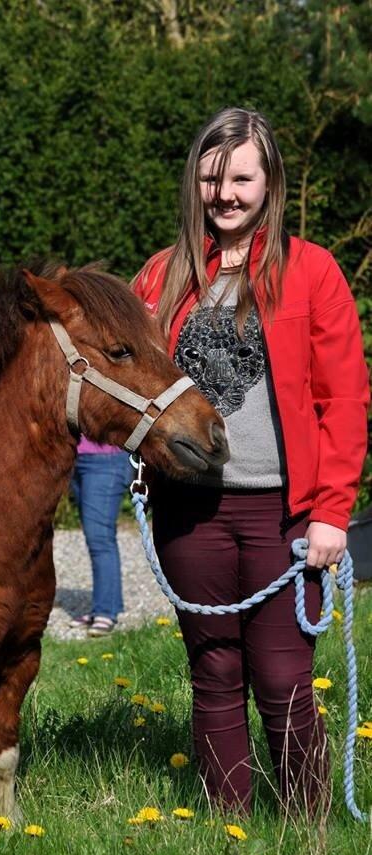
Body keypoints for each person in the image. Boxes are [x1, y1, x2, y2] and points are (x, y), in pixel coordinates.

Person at [132, 107, 369, 814]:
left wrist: (330, 514)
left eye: (239, 178)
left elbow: (343, 400)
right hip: (189, 511)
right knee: (212, 671)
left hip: (283, 514)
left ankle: (309, 831)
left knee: (282, 674)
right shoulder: (158, 277)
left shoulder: (311, 272)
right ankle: (226, 830)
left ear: (268, 183)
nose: (224, 194)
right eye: (210, 179)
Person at [69, 440, 133, 636]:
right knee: (96, 538)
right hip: (76, 457)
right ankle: (104, 606)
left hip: (107, 459)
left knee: (100, 539)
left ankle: (105, 612)